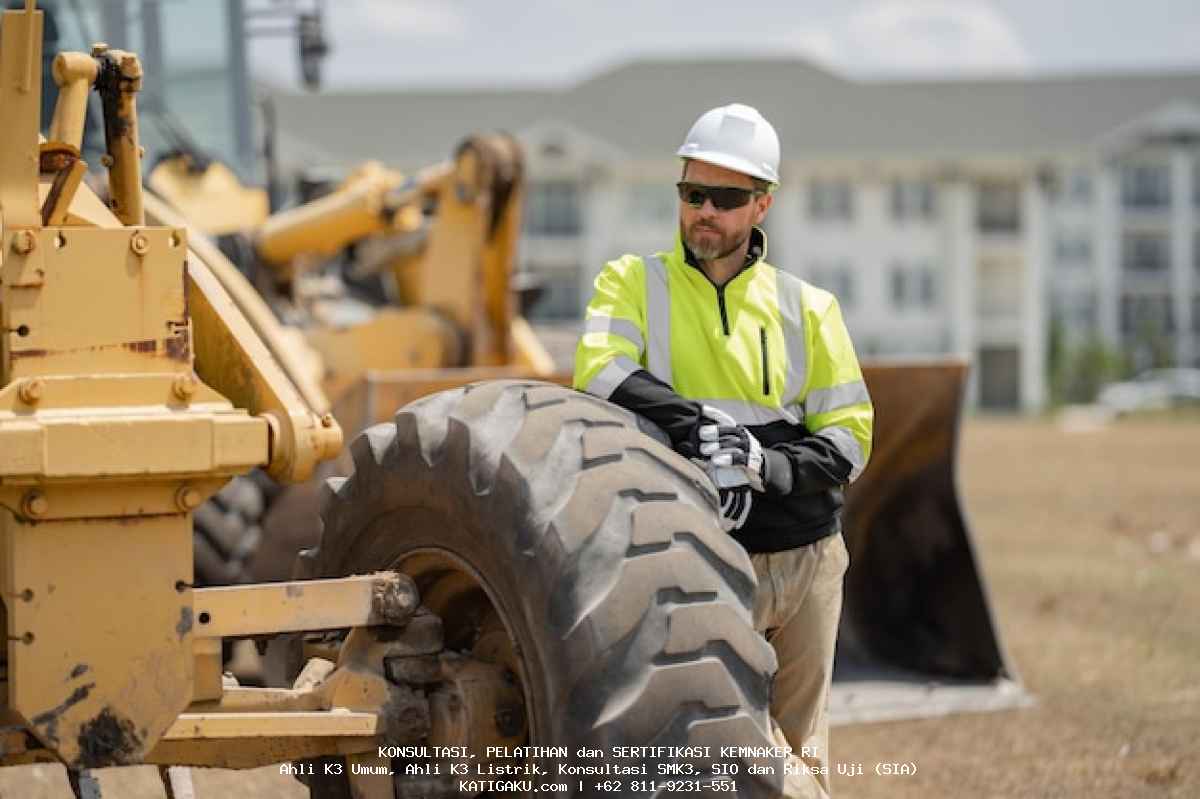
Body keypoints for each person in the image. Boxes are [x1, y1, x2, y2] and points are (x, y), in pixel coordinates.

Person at [573, 103, 874, 798]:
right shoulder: (632, 282)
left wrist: (764, 462)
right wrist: (698, 427)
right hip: (697, 559)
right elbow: (600, 371)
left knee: (802, 754)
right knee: (732, 754)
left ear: (762, 204)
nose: (705, 211)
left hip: (807, 560)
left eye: (727, 198)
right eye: (692, 193)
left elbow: (850, 437)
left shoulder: (809, 308)